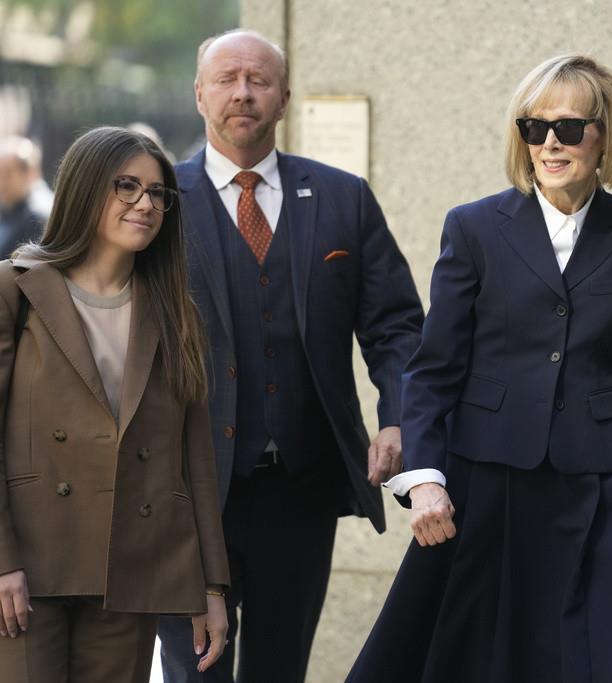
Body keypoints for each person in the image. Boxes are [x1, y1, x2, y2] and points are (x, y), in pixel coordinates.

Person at [348, 54, 612, 683]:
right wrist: (424, 477)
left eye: (569, 127)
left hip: (598, 484)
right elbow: (434, 368)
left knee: (598, 662)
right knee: (476, 661)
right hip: (486, 483)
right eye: (535, 128)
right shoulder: (473, 228)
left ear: (604, 135)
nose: (550, 142)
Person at [156, 29, 424, 683]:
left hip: (301, 492)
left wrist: (398, 416)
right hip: (188, 491)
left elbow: (396, 325)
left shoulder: (342, 197)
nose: (242, 93)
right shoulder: (156, 203)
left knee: (281, 671)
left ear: (284, 99)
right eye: (226, 79)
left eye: (259, 80)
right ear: (199, 96)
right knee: (195, 671)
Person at [0, 126, 229, 682]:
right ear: (83, 188)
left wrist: (211, 584)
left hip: (131, 564)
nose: (145, 204)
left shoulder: (175, 313)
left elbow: (193, 457)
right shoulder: (15, 288)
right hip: (30, 568)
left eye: (157, 193)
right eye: (126, 186)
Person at [0, 137, 47, 258]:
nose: (2, 181)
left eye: (8, 173)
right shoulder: (5, 211)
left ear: (30, 173)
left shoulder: (39, 218)